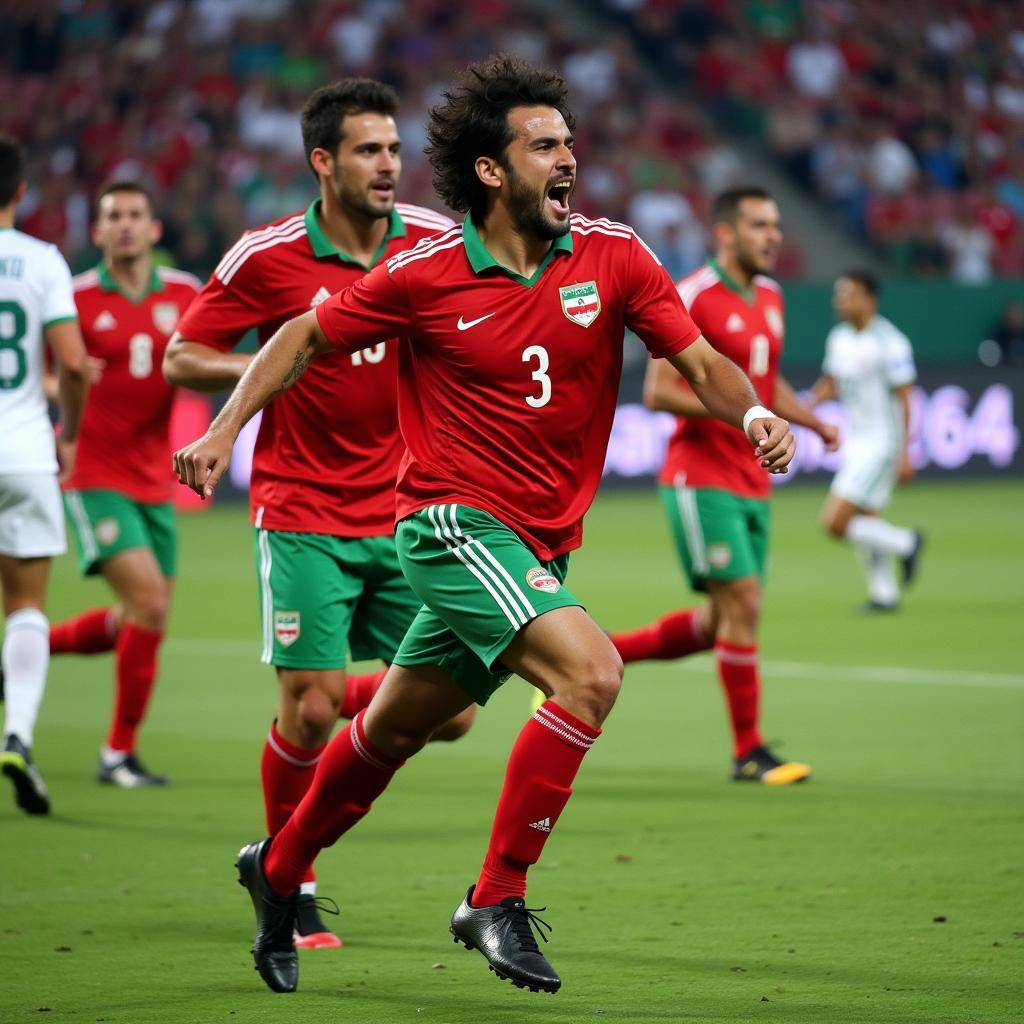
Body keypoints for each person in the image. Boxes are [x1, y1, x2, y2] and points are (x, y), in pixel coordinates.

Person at [172, 54, 796, 996]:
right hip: (449, 524)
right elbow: (302, 334)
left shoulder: (613, 255)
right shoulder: (423, 276)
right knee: (591, 674)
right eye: (545, 144)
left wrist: (750, 414)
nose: (569, 158)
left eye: (571, 142)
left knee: (392, 733)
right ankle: (495, 897)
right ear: (494, 170)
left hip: (539, 538)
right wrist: (226, 429)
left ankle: (278, 864)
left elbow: (700, 360)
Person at [162, 79, 471, 950]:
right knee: (307, 708)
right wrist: (271, 363)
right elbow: (183, 354)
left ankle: (333, 689)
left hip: (411, 510)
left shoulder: (437, 241)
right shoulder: (265, 255)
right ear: (322, 163)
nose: (388, 166)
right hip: (302, 509)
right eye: (368, 151)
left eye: (395, 149)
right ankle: (287, 879)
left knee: (452, 713)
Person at [609, 186, 838, 784]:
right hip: (700, 478)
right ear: (726, 233)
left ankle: (595, 655)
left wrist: (809, 419)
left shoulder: (771, 295)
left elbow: (761, 378)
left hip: (752, 479)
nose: (774, 236)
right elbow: (659, 391)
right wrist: (745, 415)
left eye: (777, 225)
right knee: (745, 606)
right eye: (760, 225)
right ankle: (749, 751)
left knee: (720, 624)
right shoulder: (692, 295)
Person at [52, 180, 200, 787]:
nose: (125, 225)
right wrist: (62, 387)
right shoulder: (76, 297)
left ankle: (24, 654)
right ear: (98, 231)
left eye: (136, 214)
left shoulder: (186, 293)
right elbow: (38, 374)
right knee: (150, 602)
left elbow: (207, 350)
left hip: (154, 474)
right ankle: (117, 754)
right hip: (92, 470)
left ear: (155, 229)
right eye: (112, 215)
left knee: (139, 618)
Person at [0, 134, 89, 814]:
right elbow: (76, 363)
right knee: (26, 604)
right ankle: (19, 735)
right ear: (20, 192)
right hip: (25, 450)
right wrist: (70, 436)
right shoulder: (41, 261)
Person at [809, 269, 923, 611]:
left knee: (834, 523)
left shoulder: (890, 342)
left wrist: (906, 451)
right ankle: (884, 594)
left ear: (869, 299)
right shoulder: (838, 338)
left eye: (848, 295)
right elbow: (830, 383)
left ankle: (906, 542)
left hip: (881, 444)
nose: (840, 301)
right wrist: (802, 411)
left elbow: (905, 398)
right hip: (856, 442)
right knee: (866, 517)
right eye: (838, 295)